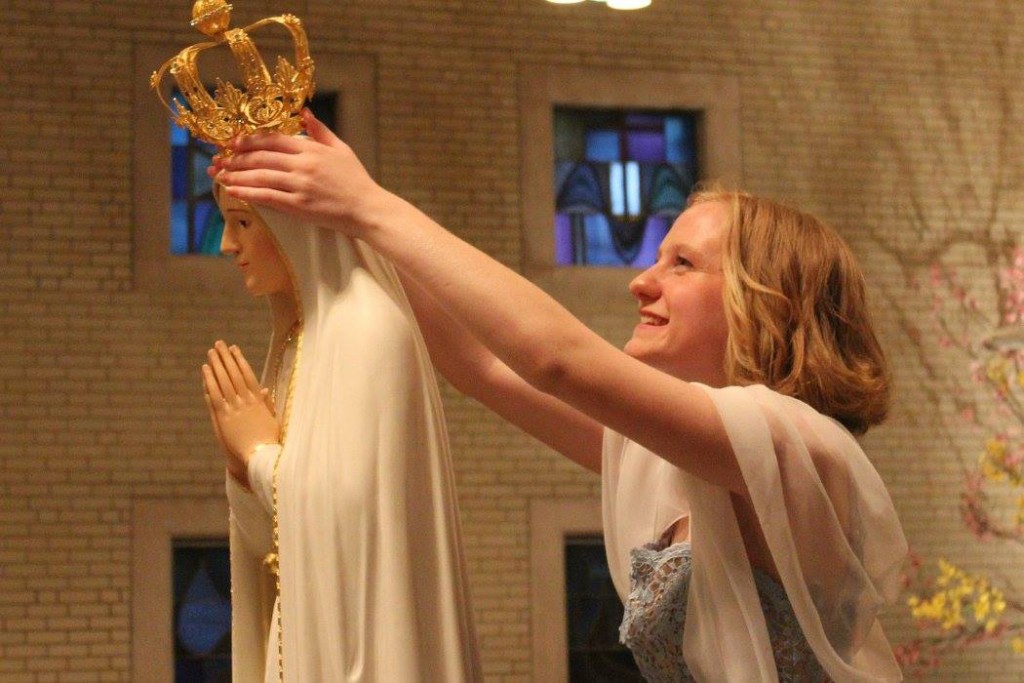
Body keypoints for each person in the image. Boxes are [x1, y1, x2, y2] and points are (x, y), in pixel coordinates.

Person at [211, 109, 908, 682]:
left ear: (769, 300)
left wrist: (369, 205)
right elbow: (480, 362)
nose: (642, 281)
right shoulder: (673, 465)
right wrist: (339, 228)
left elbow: (557, 361)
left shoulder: (801, 449)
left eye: (682, 263)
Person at [201, 182, 481, 681]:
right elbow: (274, 539)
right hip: (306, 638)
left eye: (243, 222)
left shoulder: (368, 328)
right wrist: (240, 467)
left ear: (295, 224)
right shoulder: (296, 335)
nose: (227, 244)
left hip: (367, 644)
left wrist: (259, 453)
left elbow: (355, 517)